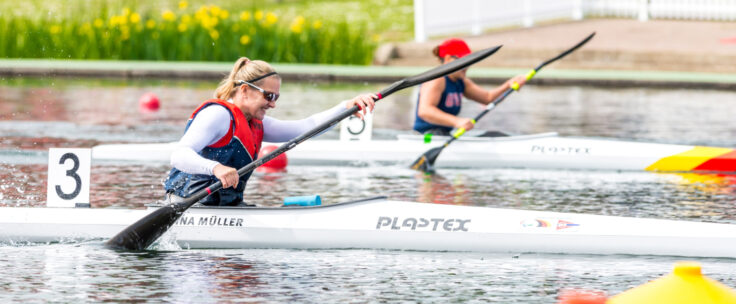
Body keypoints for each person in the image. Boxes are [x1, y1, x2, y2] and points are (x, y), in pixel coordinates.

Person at [164, 57, 376, 206]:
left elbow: (305, 128)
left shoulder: (256, 124)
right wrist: (216, 168)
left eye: (276, 97)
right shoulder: (218, 115)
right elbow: (179, 155)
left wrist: (346, 107)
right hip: (187, 206)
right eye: (268, 96)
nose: (272, 104)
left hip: (224, 210)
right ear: (245, 91)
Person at [413, 38, 528, 136]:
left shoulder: (461, 81)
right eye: (464, 61)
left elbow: (487, 98)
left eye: (469, 61)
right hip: (426, 136)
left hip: (443, 134)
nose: (467, 66)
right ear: (448, 59)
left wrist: (508, 84)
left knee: (494, 135)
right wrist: (457, 121)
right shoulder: (437, 80)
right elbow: (424, 111)